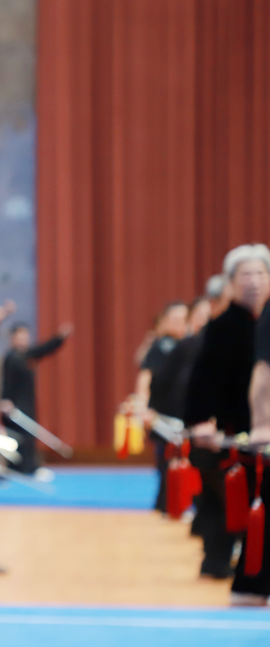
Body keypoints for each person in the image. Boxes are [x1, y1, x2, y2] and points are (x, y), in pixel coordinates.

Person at [185, 245, 270, 601]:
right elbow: (202, 382)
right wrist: (200, 421)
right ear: (231, 283)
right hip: (241, 435)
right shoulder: (223, 327)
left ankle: (250, 581)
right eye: (246, 275)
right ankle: (244, 580)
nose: (254, 282)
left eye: (261, 274)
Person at [132, 301, 189, 512]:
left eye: (183, 319)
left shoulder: (192, 343)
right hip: (163, 416)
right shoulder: (161, 346)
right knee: (166, 460)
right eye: (174, 319)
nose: (179, 323)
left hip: (185, 413)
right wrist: (143, 406)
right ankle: (167, 505)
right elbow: (145, 376)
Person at [0, 321, 73, 476]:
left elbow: (44, 349)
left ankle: (30, 467)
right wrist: (5, 400)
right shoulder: (11, 358)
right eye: (20, 336)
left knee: (29, 436)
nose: (23, 339)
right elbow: (6, 381)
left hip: (28, 403)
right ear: (13, 338)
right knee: (19, 437)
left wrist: (59, 338)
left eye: (25, 336)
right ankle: (19, 468)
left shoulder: (27, 355)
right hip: (15, 405)